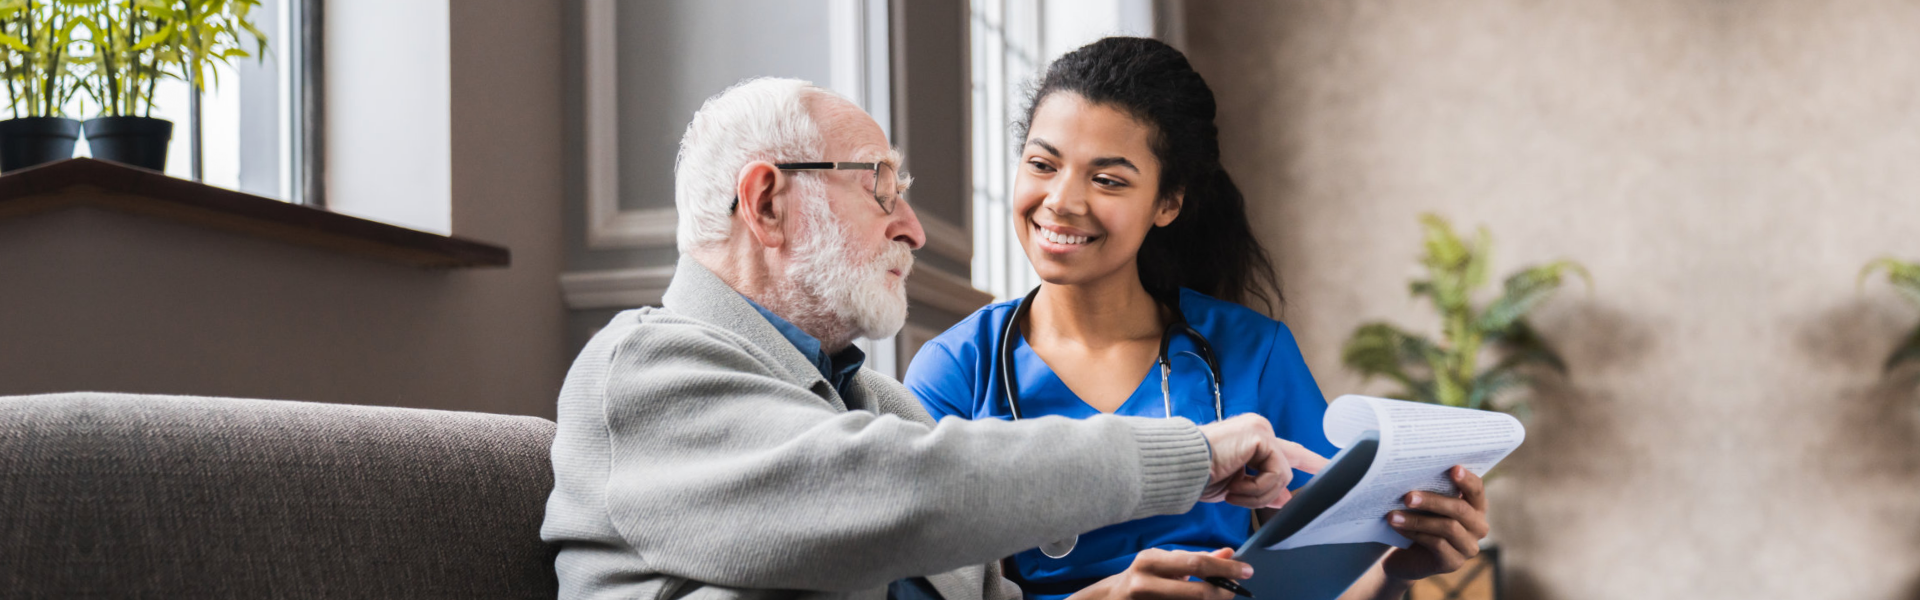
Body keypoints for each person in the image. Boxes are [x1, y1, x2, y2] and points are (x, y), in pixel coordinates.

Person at [541, 76, 1329, 600]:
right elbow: (898, 496)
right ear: (767, 201)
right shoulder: (643, 370)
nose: (912, 228)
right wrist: (1189, 456)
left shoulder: (875, 404)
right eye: (878, 184)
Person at [904, 37, 1491, 600]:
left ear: (1168, 202)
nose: (1062, 199)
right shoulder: (957, 371)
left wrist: (1396, 570)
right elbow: (918, 591)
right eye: (1042, 163)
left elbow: (1314, 586)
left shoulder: (1250, 353)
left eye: (1107, 179)